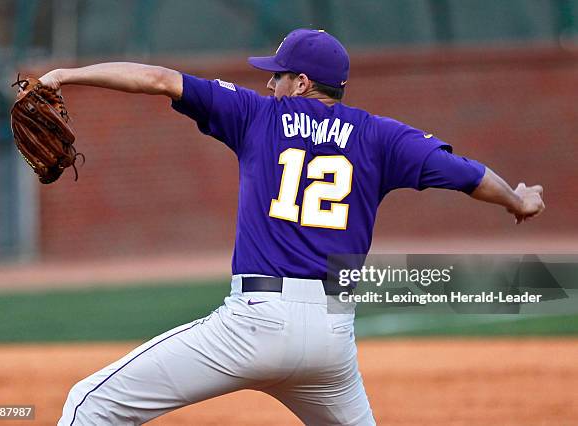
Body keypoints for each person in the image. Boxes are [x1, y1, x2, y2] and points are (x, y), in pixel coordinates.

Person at [44, 29, 544, 425]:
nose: (269, 83)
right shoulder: (380, 135)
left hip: (253, 326)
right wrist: (517, 200)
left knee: (89, 405)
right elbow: (470, 175)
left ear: (302, 82)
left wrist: (66, 74)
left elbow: (157, 78)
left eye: (278, 74)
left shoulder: (258, 115)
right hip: (331, 340)